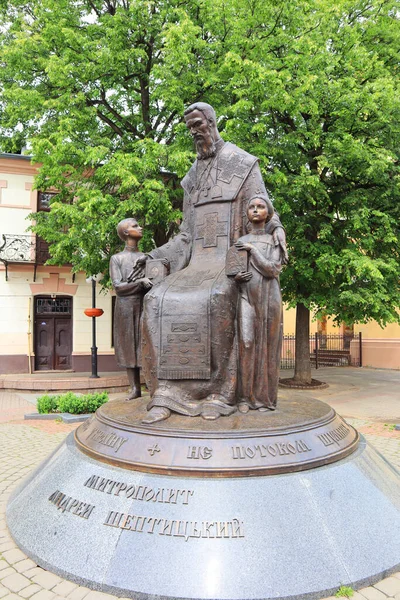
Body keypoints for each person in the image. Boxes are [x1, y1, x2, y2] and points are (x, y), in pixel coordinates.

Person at [141, 102, 284, 423]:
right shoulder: (192, 178)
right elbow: (185, 236)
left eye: (198, 124)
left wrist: (277, 232)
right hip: (195, 264)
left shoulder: (242, 164)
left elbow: (264, 208)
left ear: (211, 122)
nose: (194, 131)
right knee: (154, 299)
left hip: (229, 261)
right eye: (189, 126)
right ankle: (166, 392)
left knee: (217, 297)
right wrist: (156, 256)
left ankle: (219, 393)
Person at [233, 195, 288, 412]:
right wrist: (235, 278)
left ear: (268, 212)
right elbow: (232, 269)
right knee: (246, 344)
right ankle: (245, 398)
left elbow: (272, 270)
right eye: (252, 207)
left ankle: (265, 399)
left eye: (261, 207)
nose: (256, 210)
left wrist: (252, 250)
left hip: (269, 299)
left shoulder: (273, 240)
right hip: (246, 297)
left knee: (268, 346)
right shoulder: (240, 241)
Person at [110, 218, 152, 400]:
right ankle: (135, 388)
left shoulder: (147, 257)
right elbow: (118, 287)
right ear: (126, 233)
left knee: (147, 342)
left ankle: (152, 385)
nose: (140, 227)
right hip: (126, 307)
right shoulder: (117, 259)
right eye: (134, 226)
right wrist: (139, 282)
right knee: (129, 345)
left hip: (145, 304)